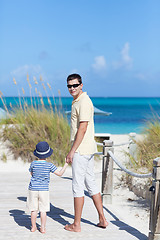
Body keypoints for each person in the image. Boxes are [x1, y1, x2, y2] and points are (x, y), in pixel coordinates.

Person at [65, 73, 108, 232]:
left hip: (82, 151)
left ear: (81, 85)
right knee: (91, 184)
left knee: (77, 186)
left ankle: (76, 225)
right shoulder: (77, 101)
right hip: (88, 149)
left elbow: (82, 128)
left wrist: (72, 151)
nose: (72, 88)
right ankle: (102, 219)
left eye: (75, 85)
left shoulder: (83, 101)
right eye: (69, 86)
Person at [27, 141, 68, 234]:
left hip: (33, 189)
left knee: (33, 210)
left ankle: (33, 227)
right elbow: (60, 173)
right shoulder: (49, 165)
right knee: (43, 210)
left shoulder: (33, 163)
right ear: (48, 154)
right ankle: (43, 228)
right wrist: (66, 164)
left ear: (37, 153)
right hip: (44, 190)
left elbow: (31, 173)